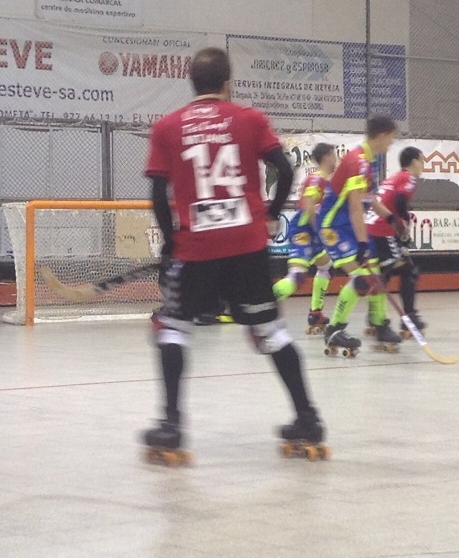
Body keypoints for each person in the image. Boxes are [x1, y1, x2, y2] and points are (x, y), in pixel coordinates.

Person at [142, 47, 325, 459]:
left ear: (192, 83)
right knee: (271, 332)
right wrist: (270, 215)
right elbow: (285, 169)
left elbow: (157, 193)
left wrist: (171, 241)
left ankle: (171, 425)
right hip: (247, 246)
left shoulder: (168, 127)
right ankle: (308, 419)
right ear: (228, 83)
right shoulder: (250, 119)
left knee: (173, 329)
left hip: (197, 249)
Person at [317, 115, 401, 353]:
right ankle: (334, 330)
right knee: (363, 279)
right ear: (382, 135)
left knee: (377, 275)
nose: (391, 143)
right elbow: (355, 207)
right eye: (391, 138)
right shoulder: (357, 161)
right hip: (334, 227)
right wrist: (363, 244)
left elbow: (368, 199)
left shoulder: (368, 161)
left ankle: (380, 324)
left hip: (349, 226)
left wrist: (391, 218)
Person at [272, 143, 337, 333]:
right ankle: (261, 302)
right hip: (304, 229)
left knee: (326, 266)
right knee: (297, 276)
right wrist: (320, 232)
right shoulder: (317, 179)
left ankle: (316, 313)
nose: (336, 159)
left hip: (314, 231)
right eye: (334, 155)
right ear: (327, 157)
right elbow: (308, 206)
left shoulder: (329, 181)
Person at [366, 146, 426, 336]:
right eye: (422, 160)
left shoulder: (394, 177)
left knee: (383, 273)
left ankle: (374, 317)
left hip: (371, 228)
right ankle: (409, 318)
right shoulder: (408, 178)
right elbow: (400, 201)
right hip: (382, 230)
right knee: (408, 270)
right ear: (414, 161)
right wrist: (404, 225)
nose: (423, 165)